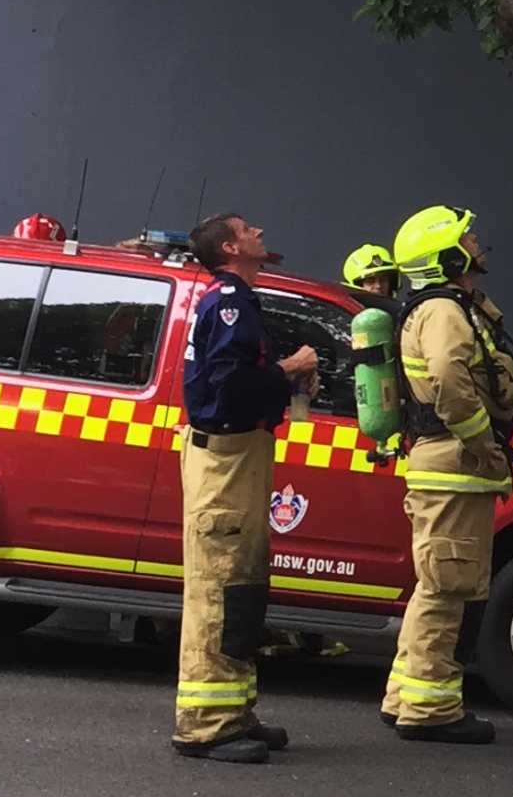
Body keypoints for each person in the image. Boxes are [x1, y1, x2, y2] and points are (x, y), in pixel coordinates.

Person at [172, 212, 317, 764]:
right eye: (249, 228)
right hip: (226, 459)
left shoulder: (235, 299)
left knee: (242, 586)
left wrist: (285, 378)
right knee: (219, 590)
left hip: (242, 455)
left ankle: (234, 712)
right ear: (232, 247)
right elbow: (229, 386)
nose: (261, 231)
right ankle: (205, 727)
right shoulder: (229, 302)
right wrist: (288, 368)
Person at [381, 204, 513, 744]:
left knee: (435, 585)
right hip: (455, 465)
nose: (477, 242)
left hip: (445, 467)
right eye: (468, 237)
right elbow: (448, 378)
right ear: (447, 255)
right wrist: (482, 445)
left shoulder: (447, 306)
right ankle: (430, 710)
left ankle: (405, 695)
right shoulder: (442, 311)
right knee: (448, 588)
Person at [344, 243, 405, 464]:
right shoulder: (354, 325)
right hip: (354, 419)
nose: (378, 286)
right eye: (370, 281)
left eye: (383, 279)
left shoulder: (399, 321)